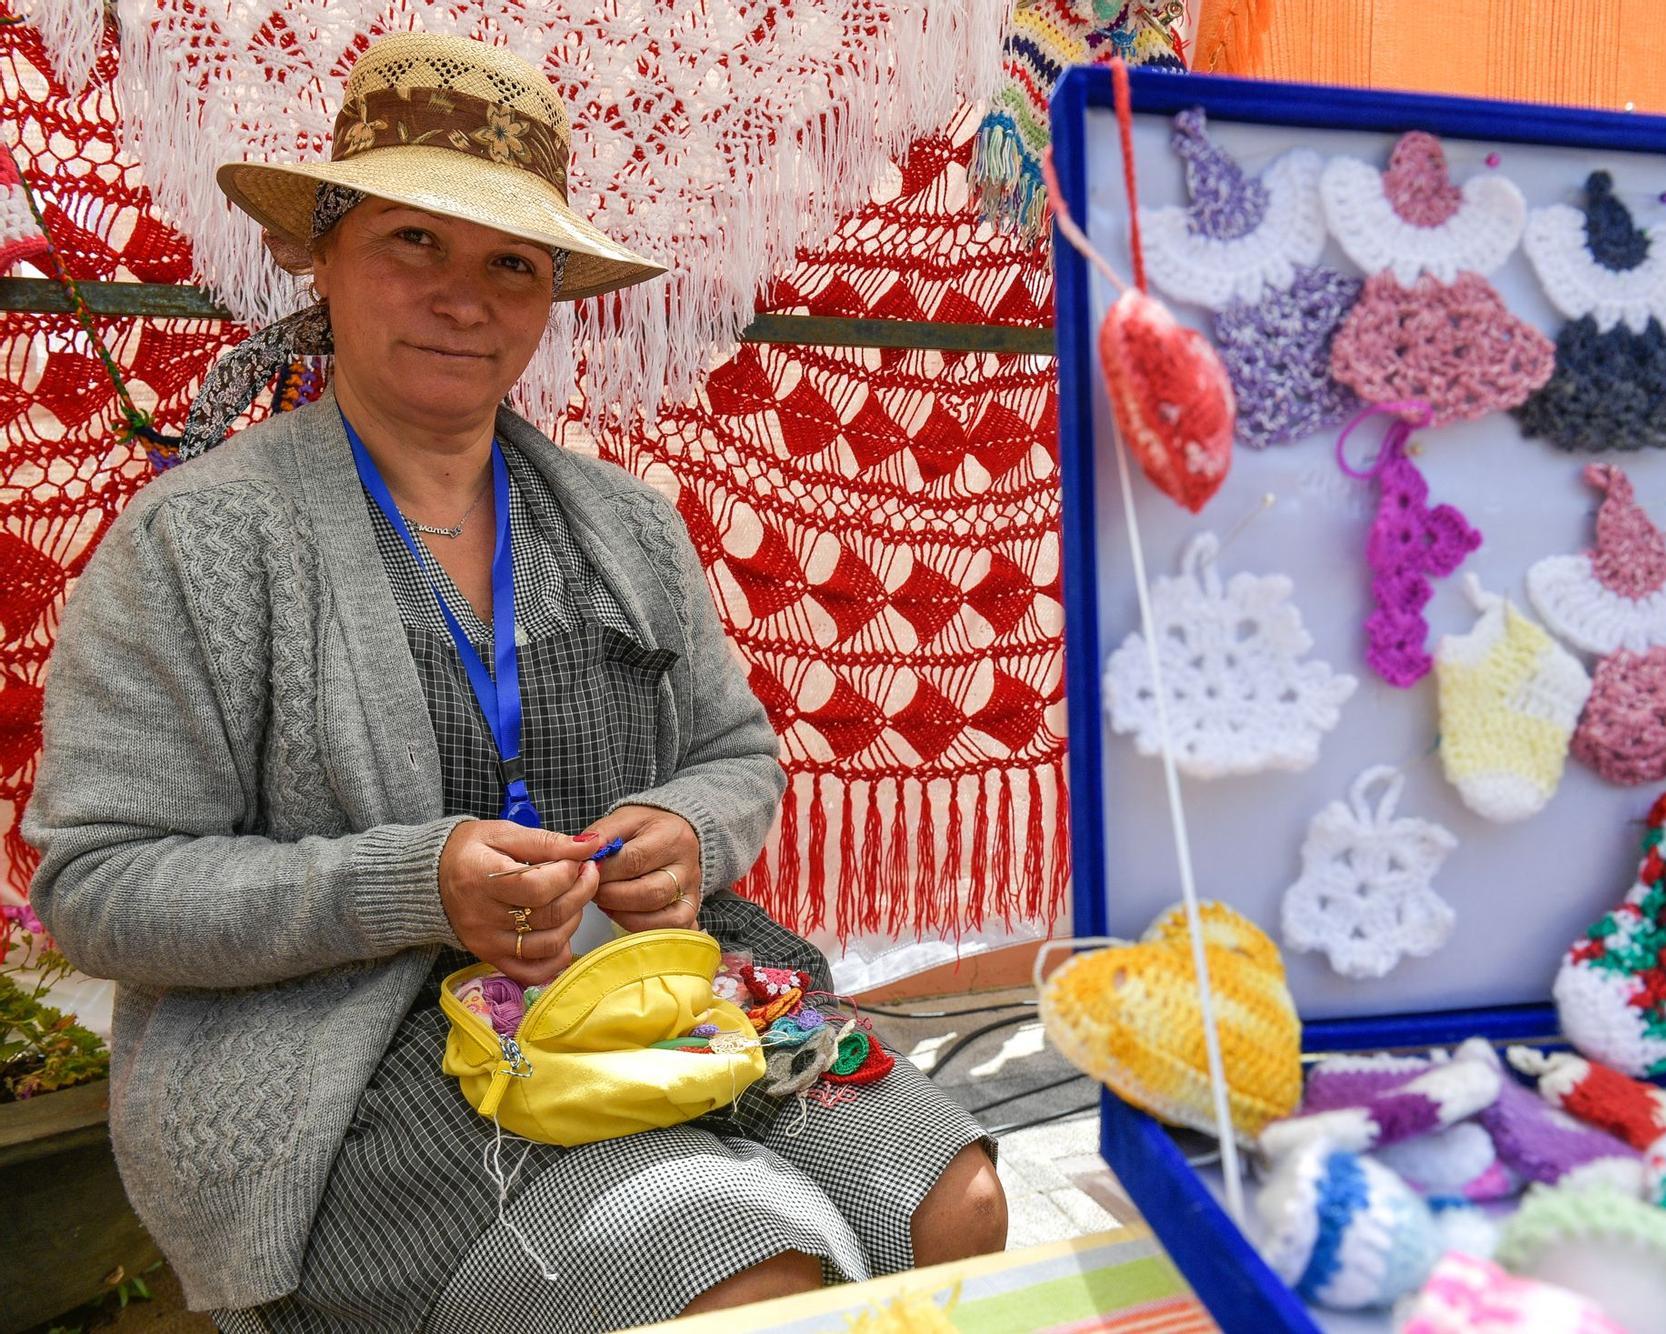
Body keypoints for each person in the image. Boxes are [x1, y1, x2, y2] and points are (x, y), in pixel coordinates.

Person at [24, 31, 1004, 1332]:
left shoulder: (621, 524)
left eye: (510, 263)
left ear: (548, 294)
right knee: (732, 1271)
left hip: (654, 991)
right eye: (412, 243)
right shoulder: (201, 543)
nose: (463, 296)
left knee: (958, 1204)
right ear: (321, 255)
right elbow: (98, 887)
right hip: (353, 1057)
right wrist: (414, 882)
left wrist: (689, 837)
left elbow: (737, 758)